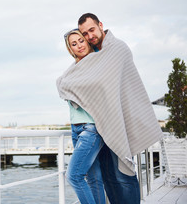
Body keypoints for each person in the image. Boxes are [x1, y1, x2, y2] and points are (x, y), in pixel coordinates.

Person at [57, 13, 163, 204]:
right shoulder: (91, 58)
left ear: (100, 25)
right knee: (105, 176)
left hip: (113, 121)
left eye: (91, 30)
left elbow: (115, 87)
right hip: (99, 123)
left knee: (122, 174)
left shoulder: (116, 49)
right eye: (84, 34)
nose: (89, 37)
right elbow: (68, 84)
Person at [64, 29, 106, 204]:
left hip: (91, 128)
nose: (79, 45)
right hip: (76, 128)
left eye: (81, 40)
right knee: (94, 179)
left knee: (74, 176)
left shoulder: (96, 62)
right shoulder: (73, 70)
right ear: (71, 50)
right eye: (74, 44)